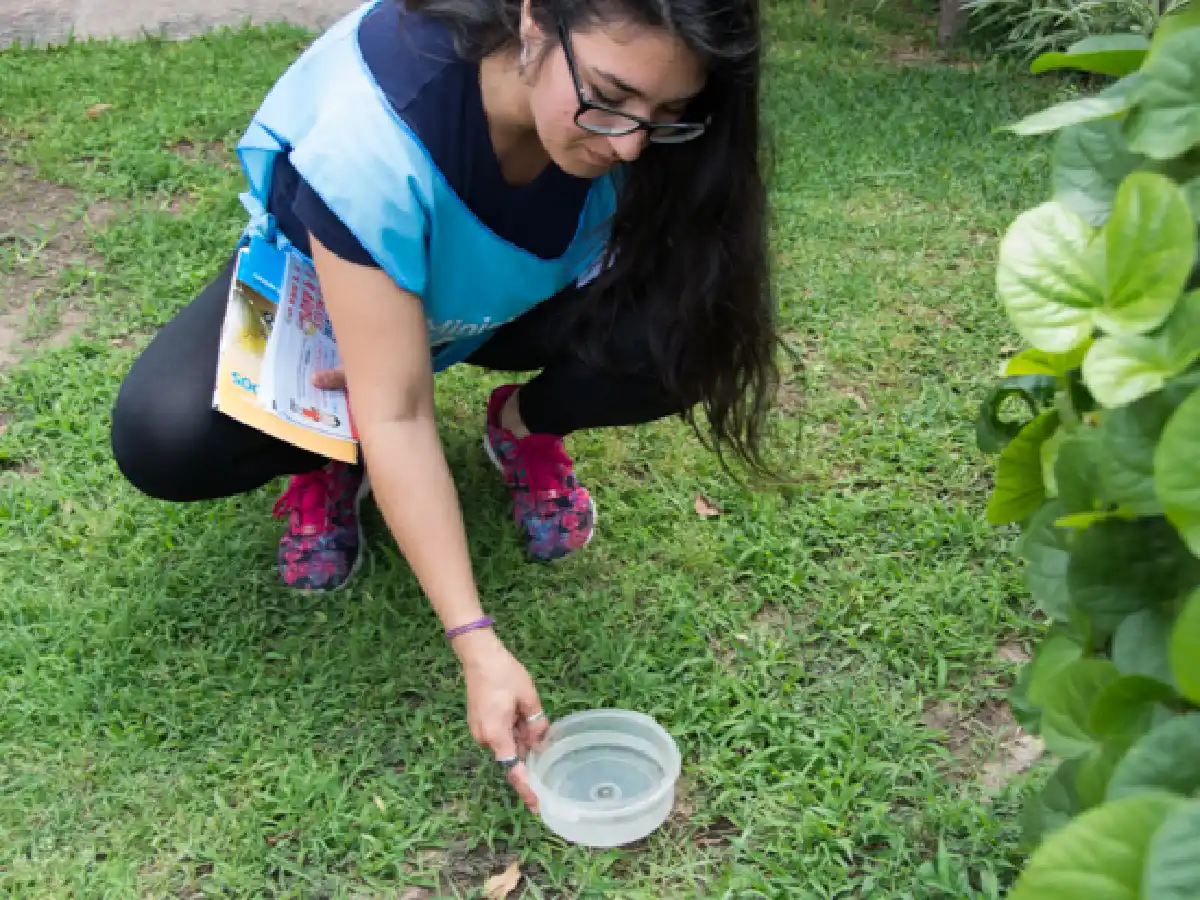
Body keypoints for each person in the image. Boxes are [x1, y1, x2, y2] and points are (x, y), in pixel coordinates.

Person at [110, 0, 777, 810]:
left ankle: (521, 427)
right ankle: (325, 443)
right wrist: (477, 645)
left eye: (668, 114)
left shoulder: (636, 117)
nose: (630, 142)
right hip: (339, 296)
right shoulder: (374, 138)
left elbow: (683, 261)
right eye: (608, 95)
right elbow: (398, 412)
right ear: (535, 19)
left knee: (694, 333)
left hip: (490, 299)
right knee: (166, 436)